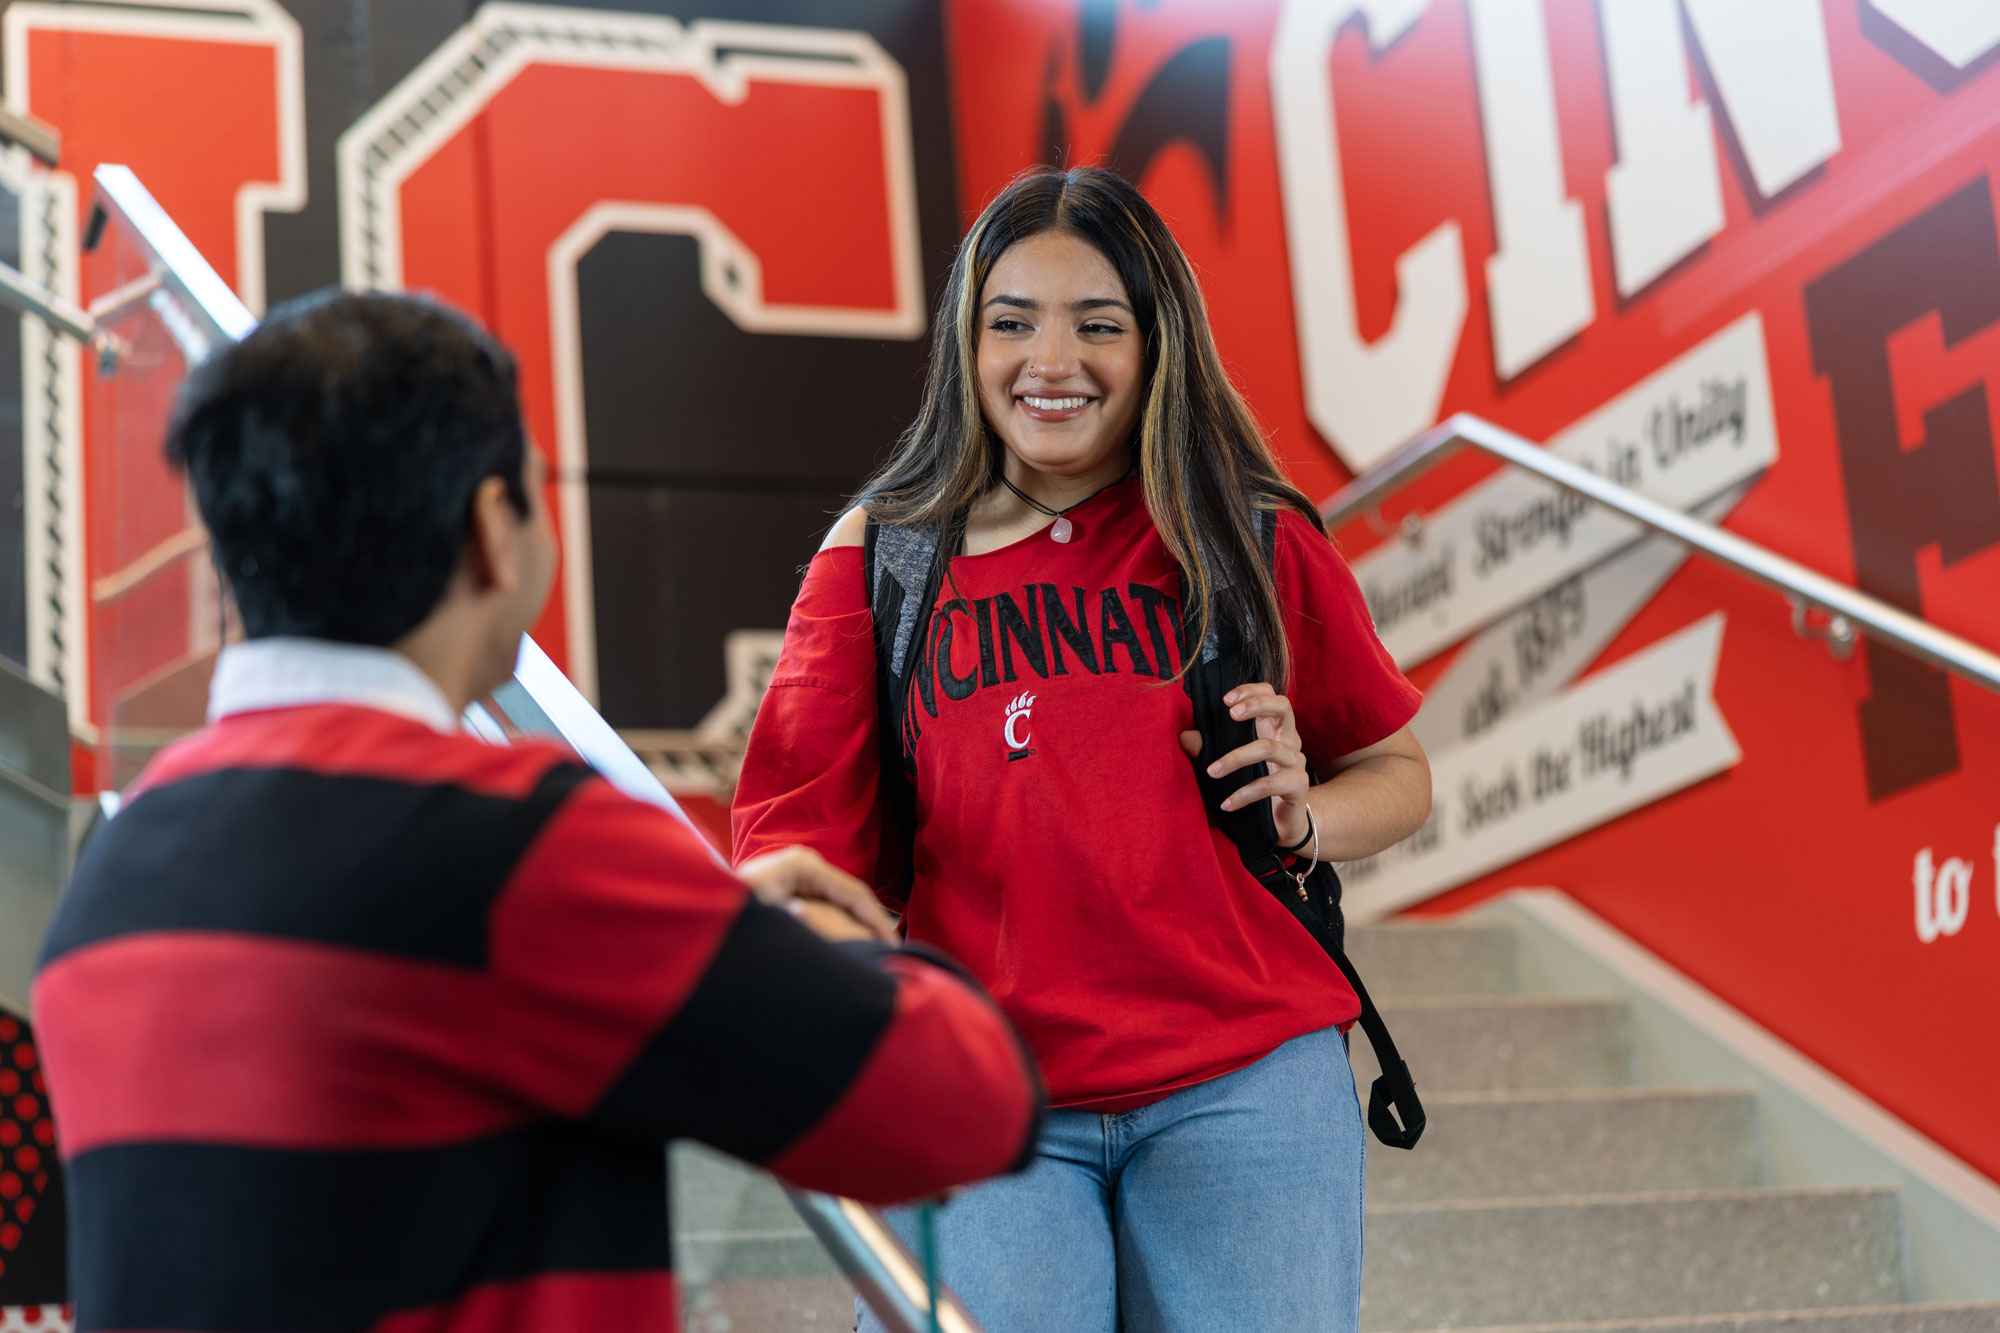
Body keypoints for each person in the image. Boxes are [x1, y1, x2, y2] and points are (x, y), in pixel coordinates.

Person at [32, 291, 1043, 1333]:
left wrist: (689, 936)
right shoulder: (520, 848)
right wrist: (814, 940)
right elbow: (962, 1105)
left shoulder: (112, 872)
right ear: (489, 529)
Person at [732, 165, 1433, 1332]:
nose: (1048, 362)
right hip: (981, 1091)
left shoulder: (1246, 537)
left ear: (1156, 344)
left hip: (1246, 1080)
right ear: (968, 340)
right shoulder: (881, 556)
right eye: (1010, 322)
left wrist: (1307, 814)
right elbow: (798, 848)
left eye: (1095, 324)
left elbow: (1400, 776)